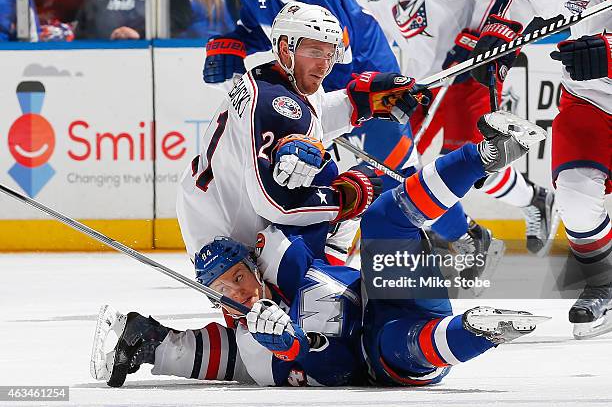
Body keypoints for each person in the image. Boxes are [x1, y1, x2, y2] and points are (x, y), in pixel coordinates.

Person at [91, 108, 549, 387]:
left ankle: (484, 155)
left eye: (237, 277)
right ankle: (475, 332)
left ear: (253, 265)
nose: (237, 291)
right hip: (382, 359)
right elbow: (329, 369)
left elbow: (345, 205)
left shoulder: (286, 257)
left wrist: (317, 168)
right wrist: (147, 342)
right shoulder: (251, 344)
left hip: (388, 290)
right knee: (396, 343)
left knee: (386, 220)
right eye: (224, 291)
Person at [177, 1, 421, 261]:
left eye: (330, 54)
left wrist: (359, 101)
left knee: (323, 183)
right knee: (326, 178)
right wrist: (344, 198)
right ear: (285, 49)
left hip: (219, 214)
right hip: (225, 243)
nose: (324, 66)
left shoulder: (276, 79)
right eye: (315, 51)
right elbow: (273, 203)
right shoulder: (273, 102)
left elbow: (311, 115)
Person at [356, 0, 558, 256]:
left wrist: (481, 34)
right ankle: (458, 233)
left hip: (472, 65)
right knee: (397, 162)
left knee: (480, 164)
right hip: (421, 80)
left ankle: (534, 199)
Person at [468, 0, 611, 339]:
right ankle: (604, 284)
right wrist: (499, 37)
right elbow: (524, 2)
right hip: (590, 102)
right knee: (575, 200)